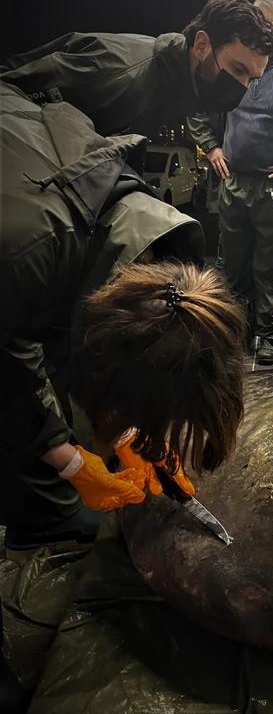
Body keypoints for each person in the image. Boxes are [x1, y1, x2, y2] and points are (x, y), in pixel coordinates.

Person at [0, 83, 246, 550]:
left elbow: (63, 318)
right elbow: (10, 358)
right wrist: (67, 457)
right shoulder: (24, 252)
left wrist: (131, 431)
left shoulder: (146, 247)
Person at [187, 0, 273, 364]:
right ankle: (236, 330)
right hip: (235, 179)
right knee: (233, 264)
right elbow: (195, 103)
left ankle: (269, 336)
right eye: (270, 30)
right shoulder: (225, 59)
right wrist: (212, 146)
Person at [1, 0, 273, 137]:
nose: (241, 87)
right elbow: (10, 95)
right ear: (202, 45)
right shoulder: (120, 75)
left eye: (252, 80)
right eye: (238, 70)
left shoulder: (169, 84)